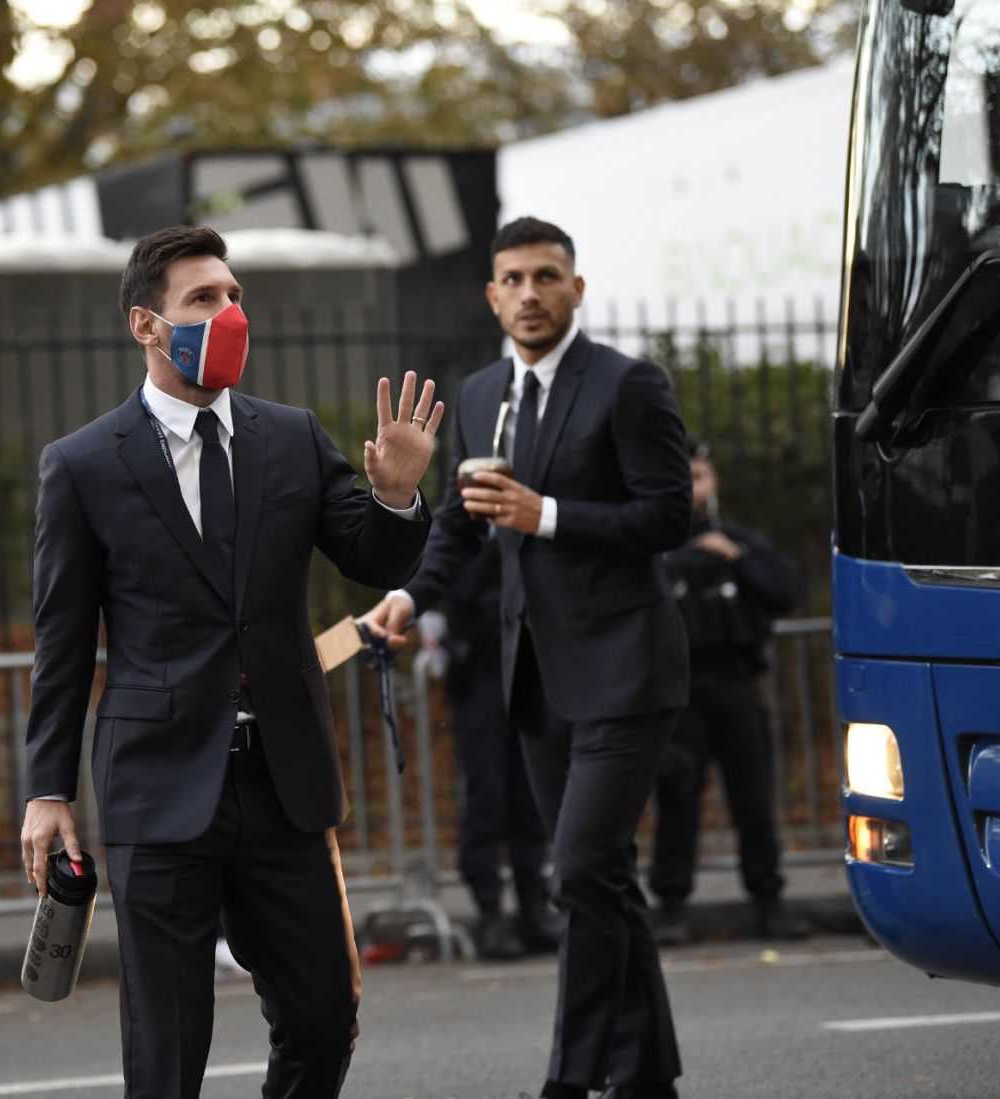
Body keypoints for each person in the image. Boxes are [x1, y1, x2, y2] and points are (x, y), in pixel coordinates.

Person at [18, 225, 443, 1099]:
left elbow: (371, 555)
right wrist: (47, 788)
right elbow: (61, 643)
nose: (229, 313)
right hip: (157, 784)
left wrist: (397, 494)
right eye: (204, 299)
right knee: (168, 1050)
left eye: (235, 295)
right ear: (146, 324)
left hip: (283, 783)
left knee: (323, 1018)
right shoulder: (83, 464)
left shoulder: (290, 437)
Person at [360, 216, 692, 1099]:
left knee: (577, 870)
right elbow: (459, 527)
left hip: (625, 669)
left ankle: (569, 1081)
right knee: (604, 879)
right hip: (536, 678)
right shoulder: (480, 396)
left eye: (547, 276)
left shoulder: (628, 385)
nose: (530, 294)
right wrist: (409, 597)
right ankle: (646, 1076)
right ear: (492, 295)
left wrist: (546, 515)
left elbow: (670, 515)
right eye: (513, 279)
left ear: (575, 288)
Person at [649, 438, 808, 946]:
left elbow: (785, 590)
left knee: (753, 798)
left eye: (700, 476)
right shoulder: (654, 546)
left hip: (738, 684)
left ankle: (768, 901)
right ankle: (671, 905)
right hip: (681, 691)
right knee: (677, 798)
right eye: (684, 477)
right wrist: (690, 559)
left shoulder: (738, 541)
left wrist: (734, 557)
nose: (694, 488)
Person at [432, 535, 557, 961]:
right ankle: (490, 912)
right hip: (479, 680)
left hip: (529, 673)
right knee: (486, 796)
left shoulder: (527, 529)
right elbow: (456, 593)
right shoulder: (461, 535)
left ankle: (534, 906)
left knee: (529, 795)